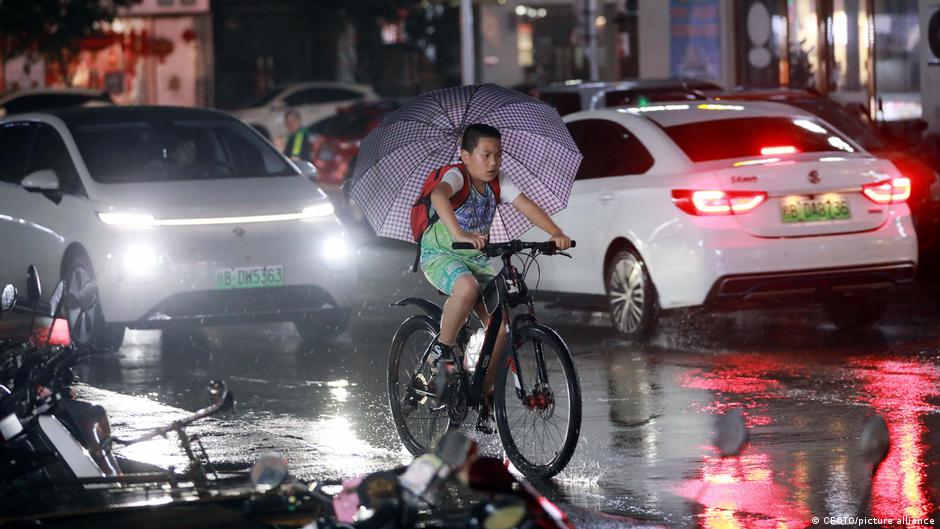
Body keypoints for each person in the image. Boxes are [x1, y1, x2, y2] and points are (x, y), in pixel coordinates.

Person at [419, 123, 571, 433]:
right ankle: (441, 351)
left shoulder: (498, 183)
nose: (492, 163)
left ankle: (484, 392)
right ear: (466, 156)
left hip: (476, 257)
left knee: (502, 327)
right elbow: (438, 196)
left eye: (498, 156)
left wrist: (555, 233)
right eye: (485, 155)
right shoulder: (457, 176)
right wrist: (460, 233)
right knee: (467, 288)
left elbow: (526, 205)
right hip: (441, 254)